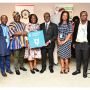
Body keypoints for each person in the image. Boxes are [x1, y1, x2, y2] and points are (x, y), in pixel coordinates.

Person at [72, 11, 90, 78]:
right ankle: (78, 70)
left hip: (86, 44)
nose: (83, 16)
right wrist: (73, 42)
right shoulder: (76, 23)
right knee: (78, 58)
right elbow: (74, 34)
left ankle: (84, 72)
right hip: (78, 44)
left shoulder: (89, 23)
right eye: (82, 15)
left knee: (86, 59)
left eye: (85, 15)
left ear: (87, 16)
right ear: (80, 16)